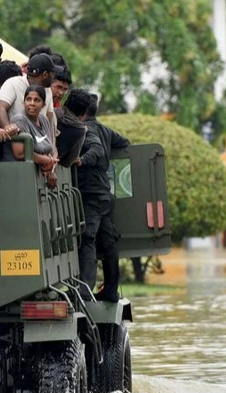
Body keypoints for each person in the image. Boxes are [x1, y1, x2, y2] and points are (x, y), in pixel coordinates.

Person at [75, 90, 130, 302]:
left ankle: (85, 292)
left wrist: (81, 161)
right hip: (104, 196)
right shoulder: (106, 130)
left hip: (90, 196)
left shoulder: (85, 130)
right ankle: (110, 290)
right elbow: (125, 142)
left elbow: (96, 151)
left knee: (87, 239)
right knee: (108, 242)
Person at [3, 85, 58, 187]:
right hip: (16, 175)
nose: (32, 103)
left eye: (37, 100)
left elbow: (48, 149)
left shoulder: (44, 120)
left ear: (43, 104)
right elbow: (20, 153)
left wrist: (51, 169)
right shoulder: (19, 120)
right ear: (24, 102)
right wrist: (45, 160)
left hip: (34, 178)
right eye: (28, 99)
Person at [0, 53, 62, 128]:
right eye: (52, 73)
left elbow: (49, 120)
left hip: (39, 137)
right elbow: (0, 107)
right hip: (17, 136)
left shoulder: (47, 90)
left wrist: (50, 139)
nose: (53, 77)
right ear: (45, 75)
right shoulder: (13, 83)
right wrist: (9, 129)